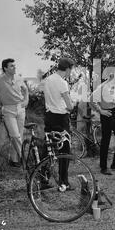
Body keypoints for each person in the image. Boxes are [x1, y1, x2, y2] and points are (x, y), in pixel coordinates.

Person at [42, 57, 75, 190]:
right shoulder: (62, 82)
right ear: (67, 69)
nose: (70, 72)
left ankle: (43, 179)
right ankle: (63, 182)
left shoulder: (48, 79)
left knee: (48, 148)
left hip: (49, 116)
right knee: (64, 150)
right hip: (61, 118)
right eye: (70, 69)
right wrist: (72, 104)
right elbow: (70, 106)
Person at [89, 68, 115, 175]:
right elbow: (91, 99)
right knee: (106, 140)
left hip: (114, 113)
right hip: (106, 114)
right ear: (112, 75)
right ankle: (103, 167)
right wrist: (100, 111)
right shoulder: (103, 86)